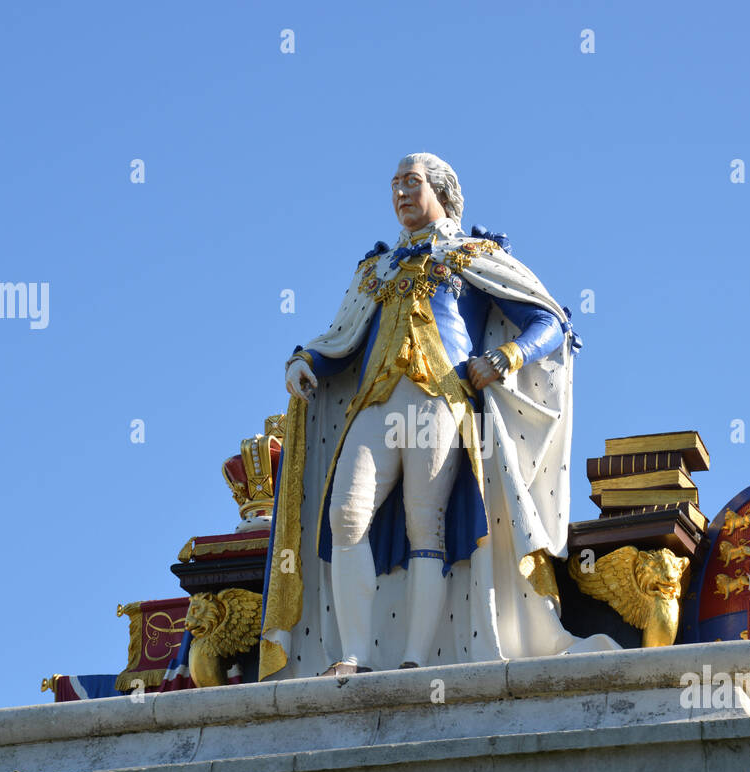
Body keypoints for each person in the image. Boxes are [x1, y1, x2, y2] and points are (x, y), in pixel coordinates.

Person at [257, 153, 613, 680]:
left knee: (428, 525)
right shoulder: (375, 270)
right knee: (345, 516)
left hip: (440, 400)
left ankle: (415, 658)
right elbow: (341, 338)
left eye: (413, 182)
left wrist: (506, 357)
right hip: (375, 401)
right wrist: (304, 360)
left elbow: (549, 320)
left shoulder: (472, 254)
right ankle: (352, 653)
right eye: (395, 184)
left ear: (441, 191)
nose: (401, 192)